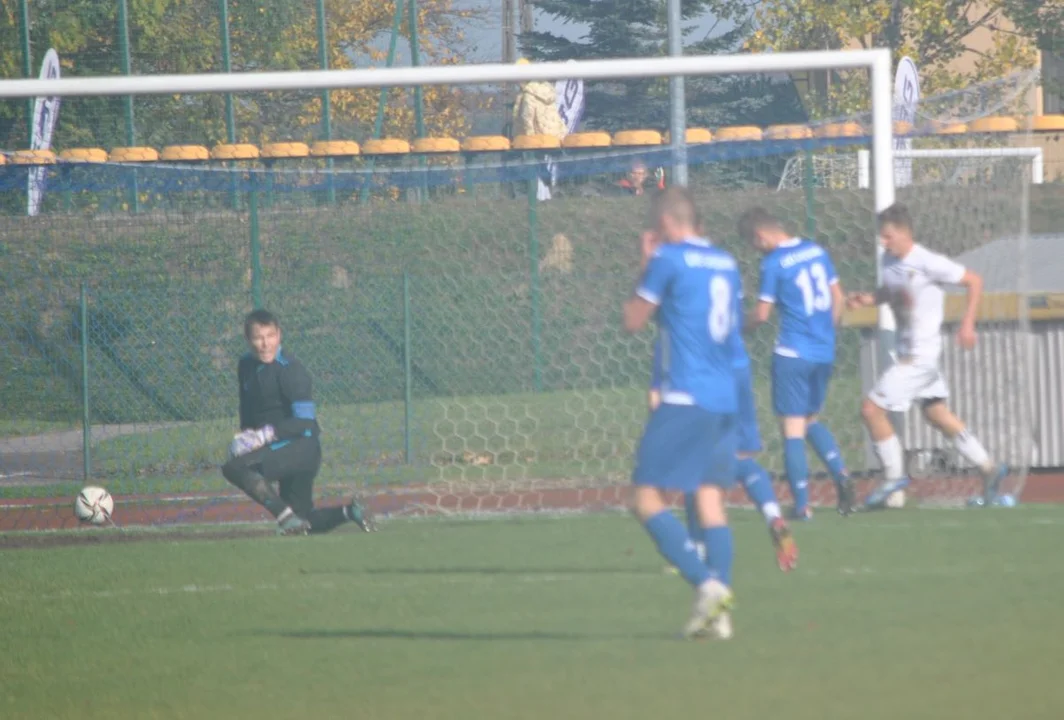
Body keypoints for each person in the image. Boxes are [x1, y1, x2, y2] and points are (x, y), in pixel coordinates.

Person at [623, 187, 741, 640]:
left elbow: (633, 320)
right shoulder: (727, 263)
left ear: (668, 226)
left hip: (685, 397)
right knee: (710, 500)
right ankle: (720, 615)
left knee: (644, 499)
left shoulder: (668, 260)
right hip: (725, 396)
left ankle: (707, 584)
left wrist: (646, 262)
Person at [646, 240, 797, 573]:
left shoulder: (675, 288)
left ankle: (696, 548)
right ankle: (773, 514)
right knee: (741, 457)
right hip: (737, 370)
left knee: (692, 464)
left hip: (702, 380)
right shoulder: (723, 269)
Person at [847, 203, 1008, 508]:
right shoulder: (888, 260)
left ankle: (894, 480)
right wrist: (869, 298)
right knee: (936, 414)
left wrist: (967, 323)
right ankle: (990, 468)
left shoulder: (927, 261)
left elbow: (974, 280)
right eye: (881, 237)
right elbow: (892, 292)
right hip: (908, 352)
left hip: (920, 356)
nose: (883, 242)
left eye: (888, 236)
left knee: (871, 410)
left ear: (905, 234)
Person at [738, 207, 856, 519]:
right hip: (823, 350)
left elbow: (762, 315)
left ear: (760, 236)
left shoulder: (773, 263)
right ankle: (841, 474)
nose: (756, 251)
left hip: (792, 353)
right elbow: (839, 298)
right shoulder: (816, 250)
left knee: (791, 429)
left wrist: (737, 328)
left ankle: (802, 505)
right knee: (811, 420)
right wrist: (826, 335)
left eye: (754, 244)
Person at [222, 309, 376, 535]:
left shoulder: (291, 370)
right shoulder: (245, 365)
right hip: (279, 447)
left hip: (301, 448)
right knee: (305, 521)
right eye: (258, 337)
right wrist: (246, 437)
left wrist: (262, 437)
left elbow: (304, 421)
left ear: (279, 335)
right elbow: (248, 409)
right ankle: (350, 512)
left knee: (234, 468)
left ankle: (285, 519)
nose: (265, 344)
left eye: (270, 336)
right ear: (247, 339)